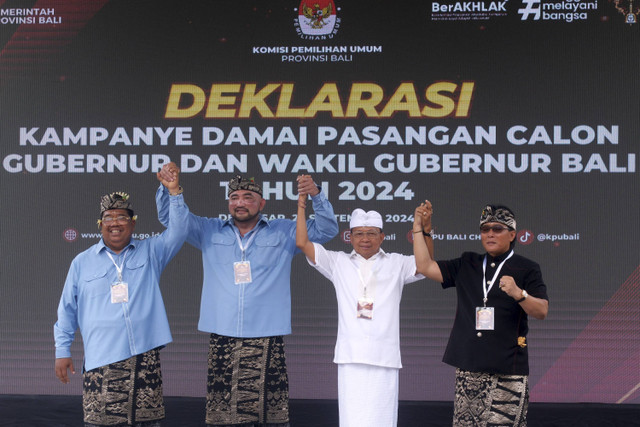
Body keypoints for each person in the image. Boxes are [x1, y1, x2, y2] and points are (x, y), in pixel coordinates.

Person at [155, 163, 339, 426]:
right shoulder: (208, 230)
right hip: (222, 332)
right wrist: (171, 191)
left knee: (268, 413)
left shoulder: (284, 231)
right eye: (234, 198)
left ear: (261, 203)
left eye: (248, 197)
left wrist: (317, 196)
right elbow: (174, 221)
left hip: (266, 333)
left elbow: (326, 230)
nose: (240, 203)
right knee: (222, 413)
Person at [54, 167, 189, 427]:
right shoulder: (82, 262)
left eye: (122, 217)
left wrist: (173, 192)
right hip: (100, 360)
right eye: (108, 217)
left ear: (133, 223)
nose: (115, 222)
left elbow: (180, 230)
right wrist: (62, 350)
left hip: (143, 357)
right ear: (100, 224)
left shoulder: (152, 252)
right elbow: (67, 309)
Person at [295, 191, 434, 427]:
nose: (365, 239)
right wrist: (301, 205)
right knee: (352, 419)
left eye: (371, 234)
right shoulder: (338, 262)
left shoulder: (397, 263)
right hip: (351, 356)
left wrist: (425, 227)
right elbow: (302, 243)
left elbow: (426, 262)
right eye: (359, 234)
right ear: (350, 237)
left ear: (382, 237)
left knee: (382, 419)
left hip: (385, 356)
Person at [413, 203, 549, 427]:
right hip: (470, 367)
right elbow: (425, 266)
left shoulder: (527, 268)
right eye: (485, 229)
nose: (490, 234)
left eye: (497, 229)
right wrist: (421, 229)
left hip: (507, 370)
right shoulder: (469, 263)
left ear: (512, 234)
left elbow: (541, 311)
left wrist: (519, 293)